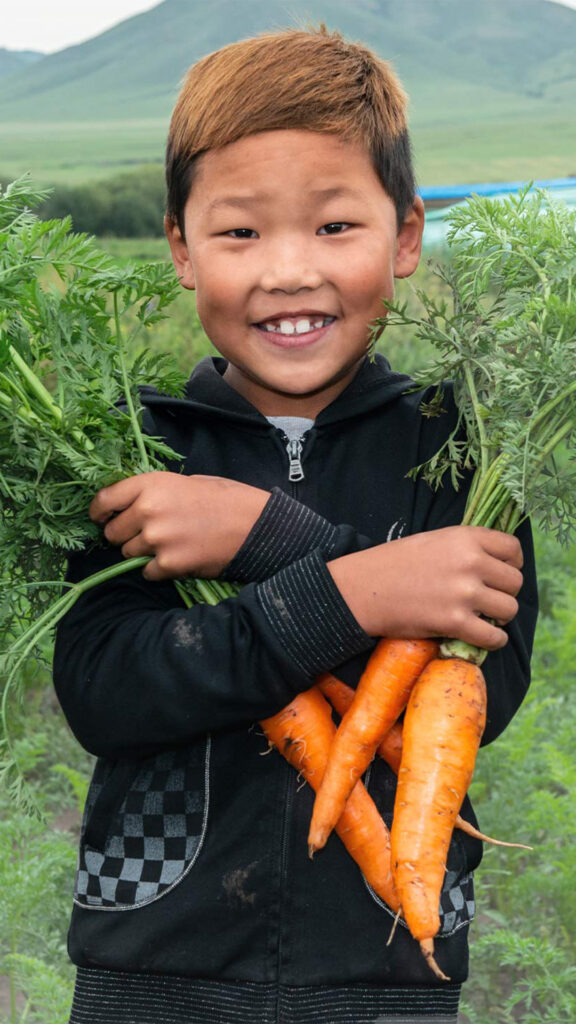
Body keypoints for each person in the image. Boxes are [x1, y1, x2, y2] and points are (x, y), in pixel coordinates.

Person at [53, 25, 538, 1024]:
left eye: (333, 227)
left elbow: (482, 686)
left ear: (405, 237)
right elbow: (108, 694)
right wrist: (357, 589)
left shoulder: (470, 446)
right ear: (181, 248)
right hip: (156, 971)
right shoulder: (131, 452)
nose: (286, 272)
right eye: (240, 233)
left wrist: (264, 539)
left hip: (390, 971)